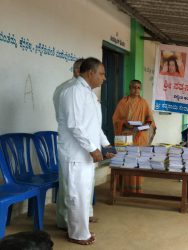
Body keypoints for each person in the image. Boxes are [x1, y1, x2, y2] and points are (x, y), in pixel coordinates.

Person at [57, 57, 114, 245]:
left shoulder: (88, 93)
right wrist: (92, 148)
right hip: (75, 154)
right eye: (102, 74)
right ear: (90, 73)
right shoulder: (73, 91)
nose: (104, 78)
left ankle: (80, 230)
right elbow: (74, 125)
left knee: (83, 194)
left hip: (86, 154)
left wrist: (105, 145)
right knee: (76, 195)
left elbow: (94, 126)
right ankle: (77, 234)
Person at [53, 58, 98, 229]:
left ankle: (83, 216)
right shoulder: (68, 89)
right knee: (69, 188)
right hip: (73, 143)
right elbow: (70, 121)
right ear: (79, 71)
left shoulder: (86, 91)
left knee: (82, 187)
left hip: (83, 143)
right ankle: (65, 222)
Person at [112, 79, 156, 193]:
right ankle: (123, 188)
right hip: (126, 136)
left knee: (137, 162)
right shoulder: (123, 102)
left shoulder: (144, 103)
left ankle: (136, 189)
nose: (136, 90)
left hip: (140, 137)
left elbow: (150, 120)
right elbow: (116, 119)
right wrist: (124, 123)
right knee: (126, 161)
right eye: (133, 87)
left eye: (138, 87)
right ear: (129, 88)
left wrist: (144, 126)